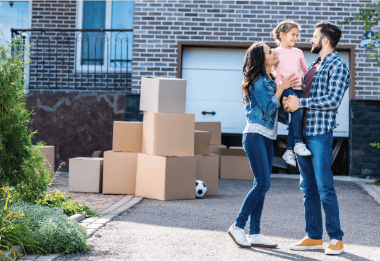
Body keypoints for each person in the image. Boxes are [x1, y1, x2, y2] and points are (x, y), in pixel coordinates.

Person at [284, 21, 351, 255]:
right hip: (302, 134)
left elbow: (332, 101)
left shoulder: (338, 66)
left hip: (319, 133)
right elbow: (302, 93)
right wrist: (290, 102)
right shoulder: (314, 64)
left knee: (324, 187)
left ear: (324, 40)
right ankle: (313, 236)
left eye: (313, 36)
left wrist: (300, 102)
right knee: (308, 188)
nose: (310, 40)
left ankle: (336, 238)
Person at [227, 42, 298, 248]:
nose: (274, 53)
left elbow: (278, 113)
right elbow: (268, 109)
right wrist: (282, 88)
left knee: (262, 185)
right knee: (262, 184)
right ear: (261, 59)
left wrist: (287, 100)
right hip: (255, 135)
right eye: (269, 52)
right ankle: (238, 226)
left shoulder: (271, 80)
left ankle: (255, 233)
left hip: (267, 137)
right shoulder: (257, 81)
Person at [272, 20, 311, 167]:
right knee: (296, 111)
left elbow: (306, 71)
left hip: (298, 87)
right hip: (285, 88)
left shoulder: (298, 52)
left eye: (297, 36)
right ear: (282, 35)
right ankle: (298, 143)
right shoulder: (275, 52)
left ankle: (289, 150)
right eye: (292, 35)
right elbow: (268, 69)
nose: (295, 38)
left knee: (298, 116)